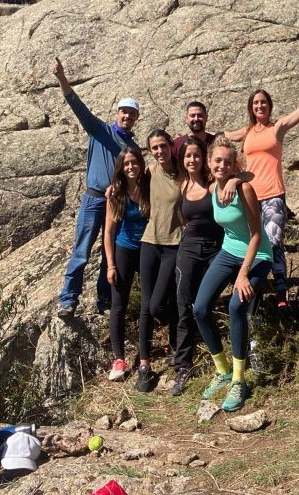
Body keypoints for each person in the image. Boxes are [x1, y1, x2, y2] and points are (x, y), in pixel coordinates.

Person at [224, 70, 299, 307]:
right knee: (251, 244)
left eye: (263, 102)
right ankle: (254, 290)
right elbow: (221, 136)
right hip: (250, 197)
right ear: (251, 108)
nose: (259, 106)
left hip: (273, 195)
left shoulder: (277, 128)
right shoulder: (247, 132)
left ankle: (281, 290)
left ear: (269, 106)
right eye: (255, 103)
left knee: (273, 242)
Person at [53, 57, 141, 318]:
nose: (127, 116)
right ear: (117, 114)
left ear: (136, 118)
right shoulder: (100, 131)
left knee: (108, 254)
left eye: (132, 113)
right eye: (124, 111)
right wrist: (61, 78)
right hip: (93, 200)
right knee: (81, 250)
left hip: (117, 203)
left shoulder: (134, 150)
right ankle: (68, 299)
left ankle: (103, 301)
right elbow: (77, 106)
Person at [193, 137, 273, 412]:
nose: (222, 165)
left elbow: (256, 235)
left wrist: (243, 274)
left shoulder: (244, 188)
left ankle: (239, 380)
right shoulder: (214, 187)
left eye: (228, 162)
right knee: (200, 309)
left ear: (234, 164)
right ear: (209, 161)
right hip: (228, 252)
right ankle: (223, 370)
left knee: (236, 306)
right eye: (217, 160)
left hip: (258, 256)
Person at [169, 136, 224, 396]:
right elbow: (183, 219)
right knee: (184, 307)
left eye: (196, 156)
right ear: (183, 160)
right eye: (188, 156)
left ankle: (229, 359)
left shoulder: (213, 184)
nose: (192, 160)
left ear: (204, 159)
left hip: (215, 247)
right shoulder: (182, 186)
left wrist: (234, 179)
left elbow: (241, 176)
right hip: (189, 248)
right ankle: (183, 366)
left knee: (214, 304)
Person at [135, 129, 183, 392]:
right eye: (154, 148)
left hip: (173, 244)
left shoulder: (182, 173)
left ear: (170, 146)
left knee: (160, 306)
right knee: (146, 306)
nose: (159, 151)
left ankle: (177, 347)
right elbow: (127, 180)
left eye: (163, 146)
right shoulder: (149, 172)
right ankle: (144, 366)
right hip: (149, 241)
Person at [102, 148, 150, 381]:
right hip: (124, 249)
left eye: (134, 163)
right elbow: (108, 233)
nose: (131, 167)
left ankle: (146, 353)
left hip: (148, 249)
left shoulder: (149, 187)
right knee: (118, 305)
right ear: (121, 168)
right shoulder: (115, 194)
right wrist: (110, 265)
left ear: (140, 164)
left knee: (149, 304)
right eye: (126, 164)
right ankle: (119, 359)